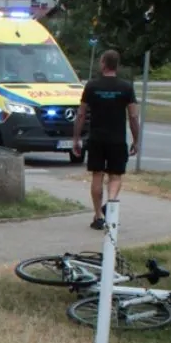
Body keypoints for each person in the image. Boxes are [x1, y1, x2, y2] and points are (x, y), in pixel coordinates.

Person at [73, 49, 139, 230]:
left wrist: (76, 138)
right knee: (115, 177)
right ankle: (111, 204)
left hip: (96, 138)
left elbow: (81, 114)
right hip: (117, 139)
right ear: (116, 65)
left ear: (103, 63)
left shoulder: (92, 86)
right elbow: (133, 116)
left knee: (97, 175)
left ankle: (98, 215)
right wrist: (136, 139)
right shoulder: (126, 87)